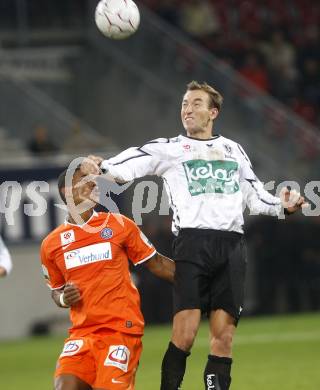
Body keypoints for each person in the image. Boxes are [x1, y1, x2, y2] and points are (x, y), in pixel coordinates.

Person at [84, 81, 307, 390]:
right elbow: (134, 161)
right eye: (184, 104)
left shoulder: (234, 150)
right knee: (185, 335)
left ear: (213, 112)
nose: (187, 109)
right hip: (192, 244)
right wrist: (104, 165)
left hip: (231, 246)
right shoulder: (171, 148)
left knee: (223, 337)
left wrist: (283, 206)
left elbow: (255, 196)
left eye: (196, 103)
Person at [40, 163, 175, 390]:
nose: (93, 183)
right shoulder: (51, 244)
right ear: (66, 191)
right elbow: (56, 290)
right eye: (84, 179)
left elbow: (158, 263)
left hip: (120, 330)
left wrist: (202, 281)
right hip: (82, 334)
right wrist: (64, 298)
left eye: (93, 179)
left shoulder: (118, 224)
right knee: (64, 386)